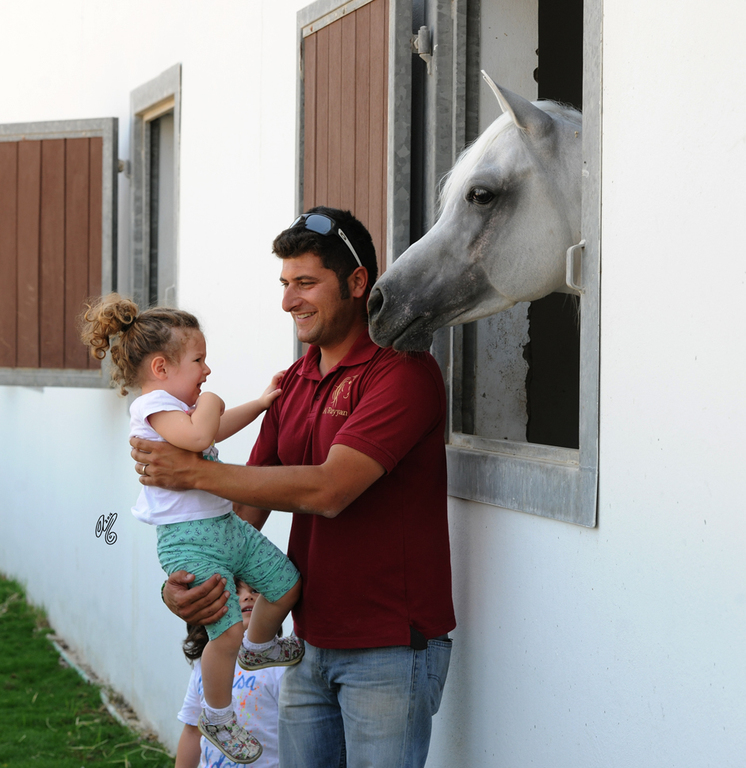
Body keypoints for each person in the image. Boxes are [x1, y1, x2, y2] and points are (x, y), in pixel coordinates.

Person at [130, 207, 456, 768]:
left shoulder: (401, 372)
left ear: (357, 283)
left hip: (389, 648)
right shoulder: (298, 380)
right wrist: (183, 582)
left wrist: (192, 471)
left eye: (305, 283)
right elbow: (244, 508)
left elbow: (330, 490)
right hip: (303, 644)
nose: (288, 301)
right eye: (285, 284)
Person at [81, 295, 303, 765]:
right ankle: (218, 717)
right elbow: (203, 434)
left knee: (285, 584)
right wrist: (213, 401)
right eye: (198, 360)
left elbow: (212, 430)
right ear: (161, 368)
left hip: (223, 525)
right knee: (223, 636)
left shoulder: (177, 411)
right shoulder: (152, 407)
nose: (206, 371)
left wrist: (261, 404)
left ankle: (259, 647)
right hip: (189, 540)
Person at [176, 579, 285, 768]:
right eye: (235, 591)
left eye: (256, 590)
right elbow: (193, 730)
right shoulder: (205, 663)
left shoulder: (280, 665)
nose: (248, 596)